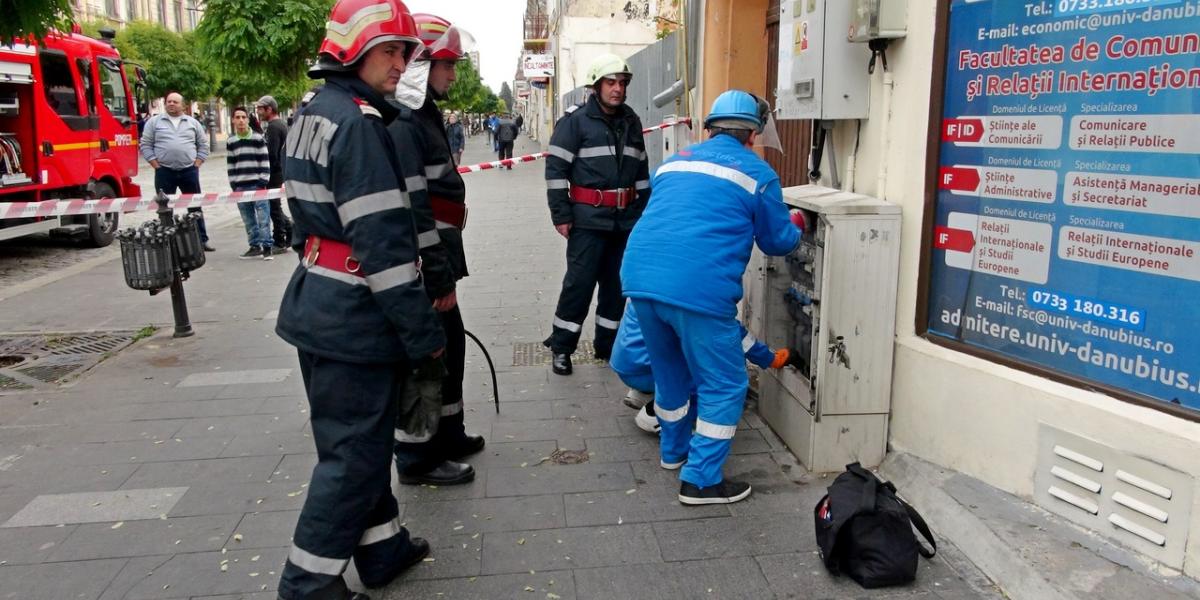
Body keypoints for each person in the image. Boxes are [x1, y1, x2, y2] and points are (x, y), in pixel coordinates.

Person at [273, 1, 441, 598]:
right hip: (356, 318)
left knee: (354, 444)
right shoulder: (361, 124)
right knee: (352, 458)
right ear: (354, 51)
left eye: (405, 53)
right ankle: (308, 584)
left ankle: (382, 547)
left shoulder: (313, 112)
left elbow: (304, 219)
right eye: (390, 50)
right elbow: (384, 248)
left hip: (320, 303)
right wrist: (423, 334)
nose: (401, 64)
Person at [620, 89, 801, 506]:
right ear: (752, 134)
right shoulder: (758, 174)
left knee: (670, 373)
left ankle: (674, 453)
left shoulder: (675, 162)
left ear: (710, 128)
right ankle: (700, 480)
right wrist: (796, 224)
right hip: (696, 287)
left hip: (641, 278)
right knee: (726, 384)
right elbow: (777, 241)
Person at [386, 12, 484, 487]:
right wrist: (436, 272)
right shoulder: (405, 121)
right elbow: (415, 206)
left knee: (451, 345)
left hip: (439, 253)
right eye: (448, 65)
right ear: (422, 65)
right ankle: (417, 457)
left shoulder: (423, 113)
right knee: (426, 354)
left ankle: (448, 432)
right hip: (424, 261)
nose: (453, 75)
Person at [543, 53, 650, 376]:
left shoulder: (631, 121)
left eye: (622, 83)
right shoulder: (575, 121)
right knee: (579, 285)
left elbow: (641, 172)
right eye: (611, 82)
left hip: (624, 221)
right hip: (587, 221)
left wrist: (642, 214)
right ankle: (562, 347)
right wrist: (561, 215)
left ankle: (607, 346)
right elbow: (555, 170)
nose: (618, 89)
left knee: (616, 288)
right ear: (596, 85)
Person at [610, 301, 804, 434]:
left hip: (626, 362)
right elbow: (734, 334)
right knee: (716, 370)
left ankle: (642, 392)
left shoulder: (660, 275)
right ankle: (655, 416)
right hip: (651, 370)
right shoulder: (699, 290)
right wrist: (771, 359)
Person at [140, 91, 213, 251]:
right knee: (165, 209)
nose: (171, 104)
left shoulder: (193, 123)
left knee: (195, 206)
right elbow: (145, 144)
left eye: (175, 102)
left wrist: (197, 163)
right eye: (169, 101)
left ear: (183, 105)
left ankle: (202, 240)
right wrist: (155, 164)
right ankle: (167, 242)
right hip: (164, 171)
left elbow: (203, 145)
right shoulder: (154, 122)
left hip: (189, 171)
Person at [225, 106, 273, 260]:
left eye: (243, 117)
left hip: (257, 185)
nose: (240, 120)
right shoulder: (231, 141)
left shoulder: (258, 138)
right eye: (237, 117)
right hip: (240, 186)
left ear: (247, 119)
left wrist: (263, 180)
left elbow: (264, 160)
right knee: (248, 219)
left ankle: (267, 247)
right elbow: (231, 164)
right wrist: (233, 184)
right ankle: (254, 246)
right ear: (233, 120)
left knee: (263, 218)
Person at [255, 94, 294, 254]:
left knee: (273, 206)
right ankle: (289, 230)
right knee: (275, 205)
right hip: (279, 171)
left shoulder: (274, 127)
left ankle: (280, 239)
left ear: (269, 109)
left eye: (260, 109)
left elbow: (272, 153)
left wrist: (267, 171)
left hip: (274, 172)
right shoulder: (280, 124)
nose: (258, 112)